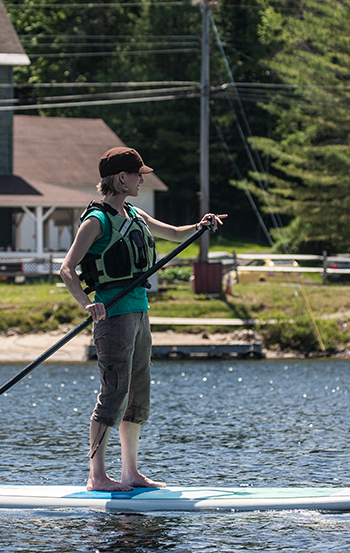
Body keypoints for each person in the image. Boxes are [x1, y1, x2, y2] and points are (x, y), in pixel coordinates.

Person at [60, 146, 226, 492]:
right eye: (138, 174)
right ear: (122, 177)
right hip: (112, 314)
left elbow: (178, 234)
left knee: (137, 396)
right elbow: (66, 268)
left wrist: (201, 225)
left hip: (139, 311)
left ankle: (130, 473)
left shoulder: (135, 214)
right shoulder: (97, 220)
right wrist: (86, 304)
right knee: (114, 393)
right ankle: (97, 476)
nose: (142, 179)